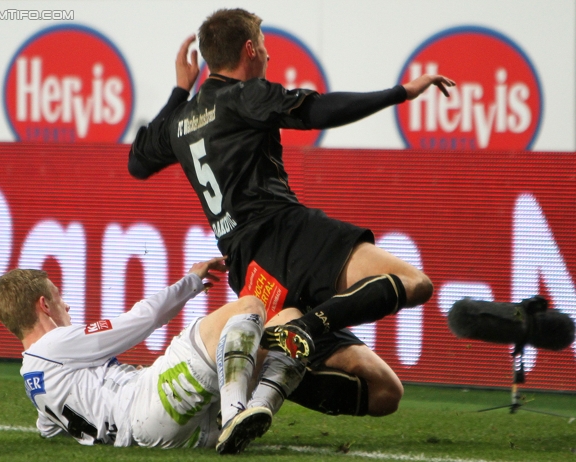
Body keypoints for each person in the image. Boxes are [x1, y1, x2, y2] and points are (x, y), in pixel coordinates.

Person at [128, 8, 456, 419]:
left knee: (385, 393)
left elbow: (137, 163)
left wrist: (180, 90)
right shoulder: (245, 95)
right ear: (249, 48)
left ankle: (266, 365)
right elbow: (318, 110)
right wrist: (401, 93)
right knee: (417, 283)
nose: (268, 56)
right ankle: (306, 327)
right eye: (263, 47)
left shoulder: (179, 120)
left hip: (249, 271)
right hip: (287, 234)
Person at [0, 256, 305, 454]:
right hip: (146, 404)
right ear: (44, 305)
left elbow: (48, 427)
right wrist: (191, 281)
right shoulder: (54, 344)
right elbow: (142, 319)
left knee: (290, 322)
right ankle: (241, 411)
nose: (67, 307)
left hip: (170, 432)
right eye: (60, 299)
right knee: (250, 306)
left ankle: (236, 418)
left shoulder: (32, 379)